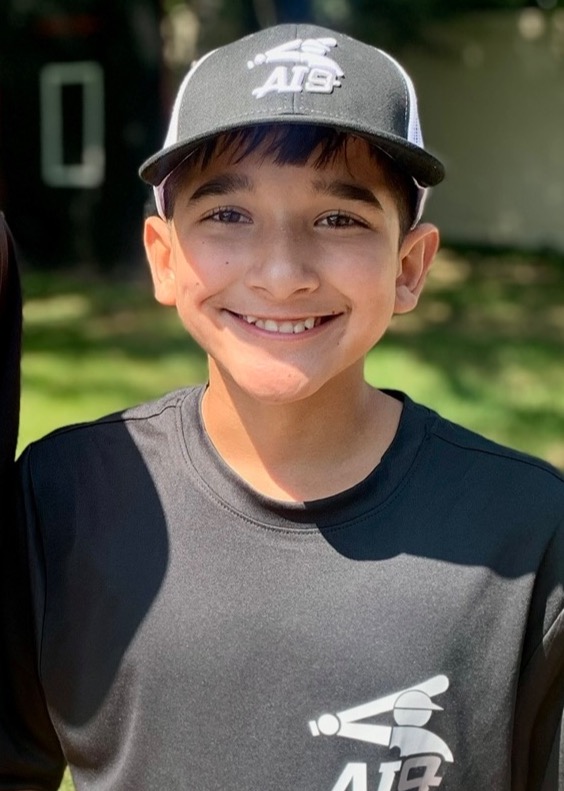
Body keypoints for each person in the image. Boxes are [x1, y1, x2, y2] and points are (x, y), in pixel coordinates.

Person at [1, 23, 563, 791]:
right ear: (163, 258)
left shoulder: (528, 535)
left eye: (339, 219)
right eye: (228, 215)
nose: (281, 271)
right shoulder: (61, 499)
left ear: (409, 266)